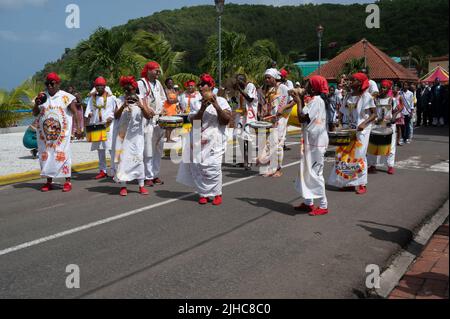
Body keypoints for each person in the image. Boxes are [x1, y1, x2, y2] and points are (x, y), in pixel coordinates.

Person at [176, 74, 232, 206]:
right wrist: (202, 108)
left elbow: (225, 120)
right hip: (197, 139)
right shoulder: (196, 102)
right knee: (198, 167)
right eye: (199, 85)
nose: (200, 87)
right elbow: (194, 123)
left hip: (215, 140)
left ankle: (217, 193)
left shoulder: (222, 101)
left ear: (211, 86)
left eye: (203, 84)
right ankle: (203, 194)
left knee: (214, 166)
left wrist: (216, 105)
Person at [33, 73, 83, 192]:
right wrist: (36, 103)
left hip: (62, 135)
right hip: (45, 136)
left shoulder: (66, 97)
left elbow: (75, 112)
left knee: (63, 155)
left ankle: (67, 181)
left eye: (52, 83)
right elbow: (34, 113)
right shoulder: (42, 96)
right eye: (47, 83)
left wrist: (79, 129)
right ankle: (48, 181)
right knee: (46, 156)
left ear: (58, 84)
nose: (49, 86)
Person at [328, 72, 377, 195]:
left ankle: (361, 183)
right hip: (347, 129)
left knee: (359, 156)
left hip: (362, 131)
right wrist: (339, 123)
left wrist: (363, 124)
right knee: (345, 156)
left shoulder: (367, 97)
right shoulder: (348, 96)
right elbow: (342, 112)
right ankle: (348, 183)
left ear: (360, 83)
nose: (350, 82)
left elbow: (374, 114)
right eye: (350, 80)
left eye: (353, 80)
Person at [291, 76, 330, 216]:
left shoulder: (317, 101)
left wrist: (299, 100)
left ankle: (324, 205)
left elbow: (302, 117)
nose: (305, 85)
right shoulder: (314, 100)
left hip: (317, 143)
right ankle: (309, 203)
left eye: (308, 83)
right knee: (306, 172)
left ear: (313, 87)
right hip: (311, 140)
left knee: (316, 173)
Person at [114, 76, 154, 196]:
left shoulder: (141, 99)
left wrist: (141, 106)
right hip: (122, 136)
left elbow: (148, 116)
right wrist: (123, 106)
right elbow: (116, 116)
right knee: (122, 160)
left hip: (137, 136)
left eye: (130, 90)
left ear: (134, 89)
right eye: (126, 90)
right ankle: (123, 186)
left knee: (138, 160)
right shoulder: (119, 99)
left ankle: (141, 185)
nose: (128, 92)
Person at [256, 68, 290, 177]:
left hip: (281, 119)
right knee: (268, 144)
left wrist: (282, 109)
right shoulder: (263, 89)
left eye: (269, 77)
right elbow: (261, 104)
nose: (266, 79)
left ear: (275, 78)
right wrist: (261, 113)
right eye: (265, 77)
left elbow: (293, 100)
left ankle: (278, 169)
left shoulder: (283, 88)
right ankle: (271, 167)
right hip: (268, 119)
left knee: (278, 143)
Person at [138, 61, 167, 187]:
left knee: (158, 148)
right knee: (148, 149)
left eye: (159, 71)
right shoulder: (141, 83)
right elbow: (140, 99)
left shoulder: (158, 83)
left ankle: (155, 174)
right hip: (147, 120)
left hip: (159, 119)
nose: (158, 73)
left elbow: (163, 98)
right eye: (156, 71)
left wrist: (164, 109)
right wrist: (146, 108)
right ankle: (147, 176)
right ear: (149, 70)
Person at [368, 80, 403, 175]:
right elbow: (372, 111)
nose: (382, 89)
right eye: (381, 87)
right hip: (377, 125)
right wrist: (375, 118)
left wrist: (394, 117)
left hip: (389, 126)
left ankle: (390, 166)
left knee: (390, 146)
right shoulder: (375, 99)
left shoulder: (392, 100)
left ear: (388, 89)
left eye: (384, 88)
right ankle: (372, 165)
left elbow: (399, 108)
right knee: (374, 145)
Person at [85, 77, 117, 179]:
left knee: (111, 149)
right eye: (97, 86)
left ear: (105, 86)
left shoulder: (111, 98)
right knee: (100, 149)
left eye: (101, 86)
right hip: (96, 126)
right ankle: (102, 170)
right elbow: (88, 110)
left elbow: (115, 111)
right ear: (95, 87)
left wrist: (111, 117)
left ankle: (114, 170)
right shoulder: (92, 98)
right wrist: (89, 114)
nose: (99, 88)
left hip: (108, 126)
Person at [235, 74, 259, 169]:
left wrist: (240, 90)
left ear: (242, 80)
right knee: (239, 137)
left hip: (249, 116)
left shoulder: (250, 86)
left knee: (248, 138)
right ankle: (242, 159)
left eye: (238, 81)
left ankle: (248, 161)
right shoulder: (239, 89)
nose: (237, 83)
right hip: (241, 116)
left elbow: (250, 98)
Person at [163, 77, 180, 143]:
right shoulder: (165, 90)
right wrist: (175, 100)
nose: (171, 84)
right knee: (168, 124)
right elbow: (169, 101)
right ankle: (168, 139)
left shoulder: (173, 90)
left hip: (173, 108)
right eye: (169, 83)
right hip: (167, 108)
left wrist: (176, 103)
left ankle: (169, 138)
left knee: (172, 124)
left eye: (171, 83)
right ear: (166, 83)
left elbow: (177, 100)